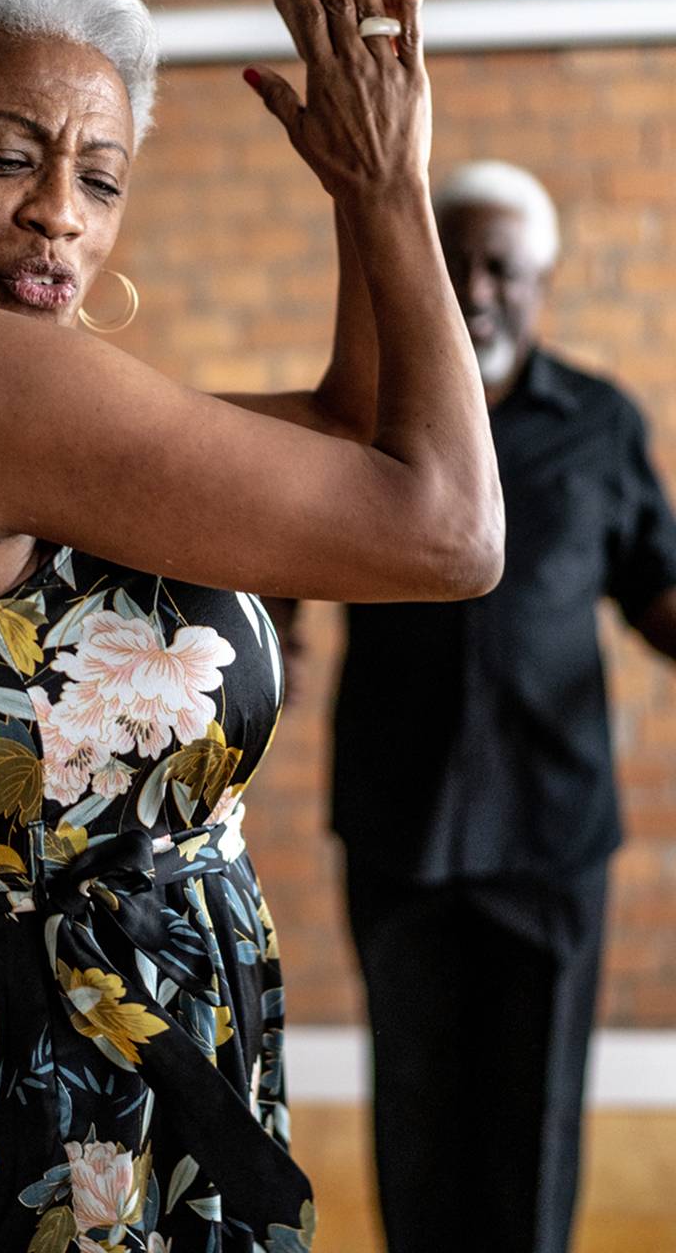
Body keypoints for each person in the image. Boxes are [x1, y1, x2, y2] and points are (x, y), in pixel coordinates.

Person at [0, 0, 504, 1249]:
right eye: (9, 157)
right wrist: (400, 187)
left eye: (102, 178)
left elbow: (360, 431)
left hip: (44, 1036)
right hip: (66, 1080)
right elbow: (450, 531)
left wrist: (364, 182)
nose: (60, 214)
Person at [331, 159, 676, 1253]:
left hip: (551, 833)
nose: (476, 287)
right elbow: (278, 553)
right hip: (401, 823)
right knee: (419, 1120)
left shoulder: (603, 423)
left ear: (543, 280)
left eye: (502, 266)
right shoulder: (367, 415)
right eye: (458, 261)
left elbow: (653, 586)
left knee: (535, 1124)